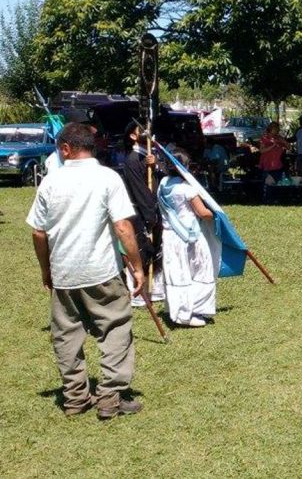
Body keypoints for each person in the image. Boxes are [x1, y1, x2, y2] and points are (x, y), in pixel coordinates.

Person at [26, 123, 145, 420]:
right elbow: (122, 226)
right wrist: (138, 267)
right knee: (115, 329)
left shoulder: (50, 183)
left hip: (64, 272)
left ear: (66, 148)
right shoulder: (108, 178)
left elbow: (38, 233)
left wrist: (46, 270)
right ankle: (109, 398)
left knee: (66, 336)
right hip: (102, 271)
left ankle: (76, 398)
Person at [157, 150, 216, 327]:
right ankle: (188, 313)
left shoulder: (163, 184)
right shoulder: (187, 189)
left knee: (177, 273)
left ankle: (178, 310)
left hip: (169, 235)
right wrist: (216, 215)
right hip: (189, 235)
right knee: (198, 270)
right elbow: (202, 212)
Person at [120, 123, 165, 307]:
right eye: (142, 131)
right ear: (132, 136)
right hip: (141, 212)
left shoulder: (148, 157)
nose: (147, 133)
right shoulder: (132, 160)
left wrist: (156, 166)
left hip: (153, 209)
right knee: (142, 250)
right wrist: (150, 215)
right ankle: (140, 293)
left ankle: (155, 289)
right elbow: (140, 191)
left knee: (155, 249)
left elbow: (161, 179)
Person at [259, 121, 288, 202]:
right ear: (270, 129)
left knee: (277, 183)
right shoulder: (264, 138)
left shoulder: (279, 138)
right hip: (267, 164)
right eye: (274, 129)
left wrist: (284, 142)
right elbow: (261, 151)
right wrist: (273, 146)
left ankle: (276, 199)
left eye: (277, 129)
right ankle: (266, 199)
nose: (276, 131)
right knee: (267, 183)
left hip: (278, 165)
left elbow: (289, 147)